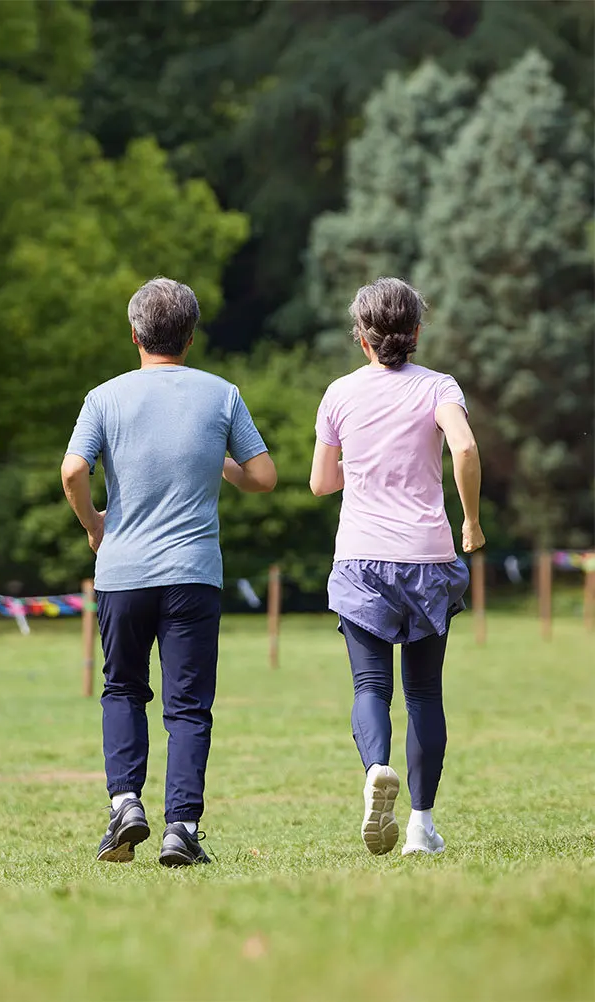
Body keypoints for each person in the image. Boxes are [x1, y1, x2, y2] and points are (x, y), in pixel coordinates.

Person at [61, 277, 277, 866]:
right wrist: (223, 463)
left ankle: (125, 803)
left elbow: (73, 470)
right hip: (194, 574)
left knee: (123, 688)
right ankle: (181, 828)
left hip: (123, 572)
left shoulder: (103, 398)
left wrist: (94, 526)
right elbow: (264, 477)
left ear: (134, 335)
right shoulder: (221, 395)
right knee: (187, 705)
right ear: (191, 335)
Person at [309, 276, 484, 857]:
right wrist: (472, 522)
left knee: (369, 686)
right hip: (427, 556)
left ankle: (375, 771)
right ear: (415, 333)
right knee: (425, 694)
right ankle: (420, 826)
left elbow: (321, 483)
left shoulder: (339, 395)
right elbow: (462, 447)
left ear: (362, 337)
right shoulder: (440, 387)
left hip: (360, 558)